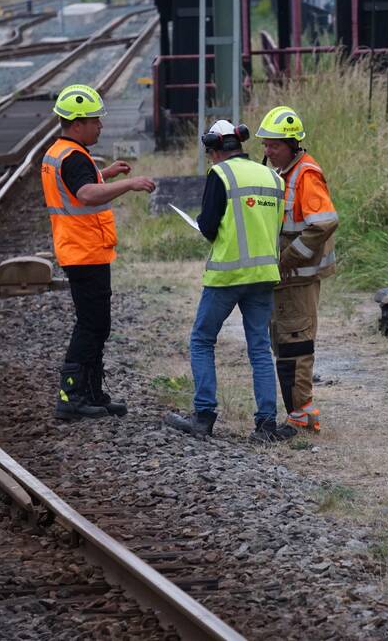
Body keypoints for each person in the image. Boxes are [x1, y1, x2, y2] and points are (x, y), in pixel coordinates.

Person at [165, 120, 297, 444]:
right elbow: (276, 227)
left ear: (214, 150)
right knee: (260, 349)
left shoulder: (220, 175)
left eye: (210, 154)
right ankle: (266, 423)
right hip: (264, 275)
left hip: (227, 275)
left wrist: (203, 226)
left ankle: (204, 415)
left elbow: (209, 227)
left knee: (201, 340)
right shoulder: (273, 177)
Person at [42, 84, 155, 421]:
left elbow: (76, 184)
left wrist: (105, 173)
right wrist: (129, 185)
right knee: (91, 325)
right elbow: (87, 194)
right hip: (84, 251)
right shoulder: (73, 155)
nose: (101, 126)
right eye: (95, 121)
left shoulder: (61, 152)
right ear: (77, 123)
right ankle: (71, 396)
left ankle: (91, 393)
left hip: (82, 250)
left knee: (97, 324)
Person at [256, 106, 338, 433]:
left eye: (273, 145)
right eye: (265, 144)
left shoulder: (305, 175)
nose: (267, 150)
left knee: (295, 342)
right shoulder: (283, 173)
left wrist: (286, 259)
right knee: (284, 341)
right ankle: (298, 410)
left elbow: (324, 223)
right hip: (286, 279)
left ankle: (301, 413)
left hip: (297, 278)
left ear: (292, 144)